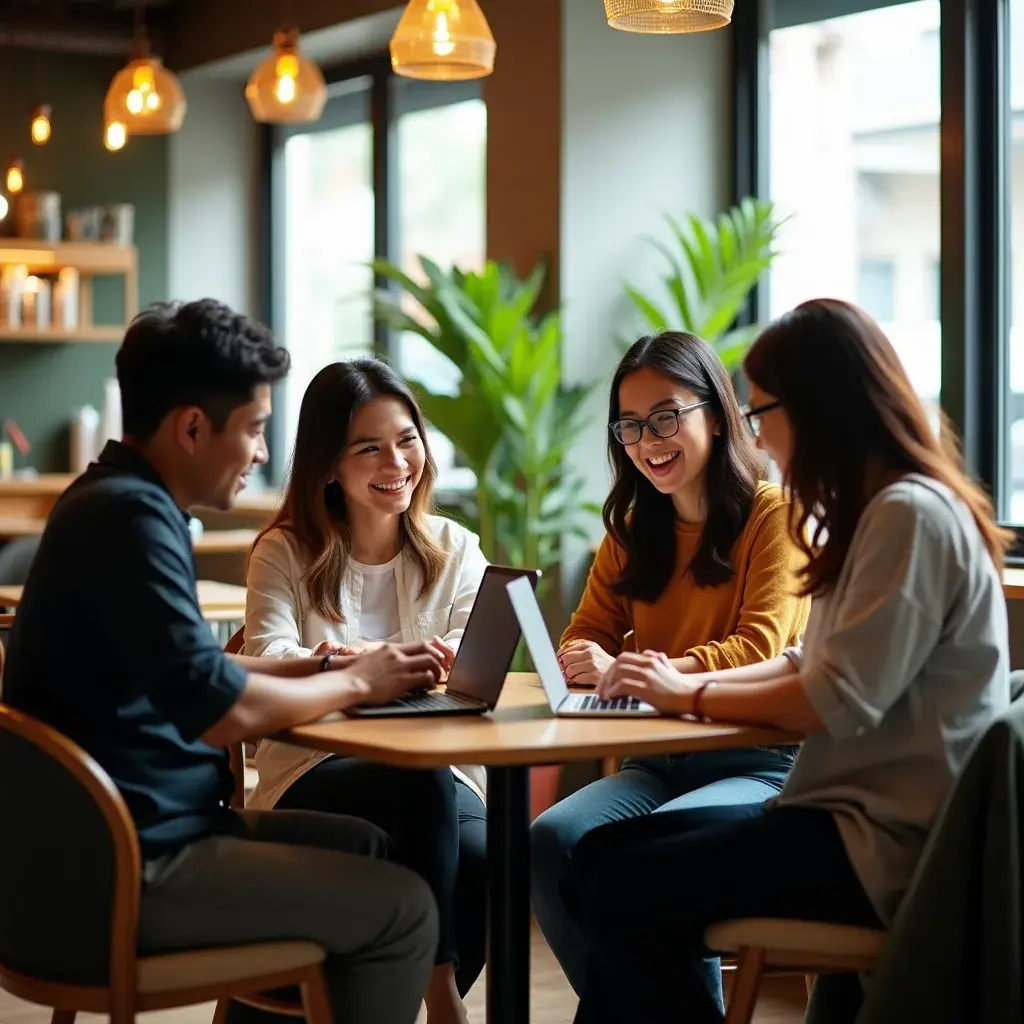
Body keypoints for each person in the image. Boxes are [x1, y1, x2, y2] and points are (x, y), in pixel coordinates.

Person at [567, 299, 1012, 1024]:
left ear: (817, 407)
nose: (758, 434)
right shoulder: (883, 511)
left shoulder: (909, 516)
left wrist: (688, 696)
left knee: (619, 880)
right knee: (596, 858)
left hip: (886, 843)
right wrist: (684, 685)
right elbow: (807, 659)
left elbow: (826, 697)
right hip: (844, 818)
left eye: (761, 411)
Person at [2, 300, 446, 1024]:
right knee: (402, 910)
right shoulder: (130, 522)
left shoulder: (115, 502)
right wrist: (357, 680)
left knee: (373, 848)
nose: (265, 453)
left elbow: (198, 670)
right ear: (192, 428)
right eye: (255, 429)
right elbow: (221, 713)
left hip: (100, 853)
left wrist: (320, 665)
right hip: (133, 868)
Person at [530, 331, 810, 999]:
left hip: (757, 759)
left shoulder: (774, 517)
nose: (648, 439)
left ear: (717, 412)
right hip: (656, 760)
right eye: (630, 425)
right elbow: (584, 638)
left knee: (647, 855)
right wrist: (595, 660)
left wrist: (643, 670)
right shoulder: (632, 527)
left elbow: (760, 649)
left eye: (666, 416)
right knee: (550, 841)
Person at [244, 359, 488, 1024]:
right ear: (328, 465)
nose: (397, 461)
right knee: (420, 783)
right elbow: (266, 656)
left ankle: (398, 1004)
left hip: (442, 777)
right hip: (315, 765)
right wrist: (347, 661)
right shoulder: (285, 552)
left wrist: (454, 658)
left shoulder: (457, 547)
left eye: (407, 440)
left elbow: (481, 649)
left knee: (481, 853)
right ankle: (442, 999)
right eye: (369, 447)